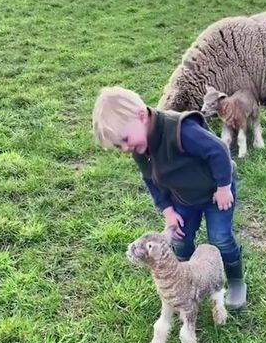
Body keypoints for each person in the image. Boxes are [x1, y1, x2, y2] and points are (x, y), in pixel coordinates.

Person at [92, 86, 247, 308]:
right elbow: (151, 180)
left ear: (142, 116)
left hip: (216, 194)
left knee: (220, 237)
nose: (126, 148)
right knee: (180, 239)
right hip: (183, 198)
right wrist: (168, 210)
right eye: (119, 146)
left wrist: (223, 187)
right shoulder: (139, 149)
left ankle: (235, 281)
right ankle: (187, 278)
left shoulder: (181, 130)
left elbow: (219, 151)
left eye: (125, 139)